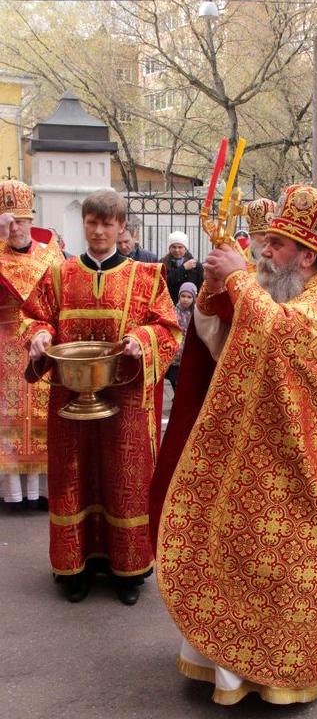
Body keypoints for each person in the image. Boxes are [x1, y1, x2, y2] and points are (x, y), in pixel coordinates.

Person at [155, 184, 317, 705]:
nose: (262, 250)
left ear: (307, 253)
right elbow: (232, 334)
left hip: (303, 459)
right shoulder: (282, 284)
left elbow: (285, 336)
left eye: (274, 243)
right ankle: (221, 667)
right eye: (264, 241)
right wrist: (216, 286)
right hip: (249, 449)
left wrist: (238, 279)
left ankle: (277, 678)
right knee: (232, 556)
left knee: (284, 570)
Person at [23, 189, 180, 605]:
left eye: (107, 224)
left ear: (121, 227)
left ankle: (128, 570)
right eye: (92, 223)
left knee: (124, 479)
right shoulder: (59, 274)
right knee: (73, 476)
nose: (98, 231)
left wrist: (141, 340)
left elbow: (168, 329)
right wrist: (39, 335)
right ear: (85, 224)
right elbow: (37, 316)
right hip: (67, 401)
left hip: (125, 402)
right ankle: (74, 568)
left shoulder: (147, 277)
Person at [0, 180, 63, 511]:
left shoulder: (50, 254)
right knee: (9, 421)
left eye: (22, 221)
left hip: (41, 343)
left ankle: (41, 493)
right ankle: (12, 494)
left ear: (30, 221)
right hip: (4, 347)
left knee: (42, 417)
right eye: (10, 222)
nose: (16, 228)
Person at [166, 281, 197, 391]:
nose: (185, 299)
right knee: (174, 378)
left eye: (189, 297)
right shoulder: (174, 311)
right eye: (183, 296)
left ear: (193, 298)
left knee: (185, 378)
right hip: (176, 351)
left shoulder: (196, 313)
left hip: (188, 351)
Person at [160, 230, 204, 304]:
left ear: (185, 248)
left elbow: (201, 287)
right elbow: (163, 284)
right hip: (170, 305)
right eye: (174, 247)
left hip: (190, 307)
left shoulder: (196, 266)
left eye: (180, 247)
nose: (177, 250)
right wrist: (183, 268)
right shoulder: (163, 263)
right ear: (170, 248)